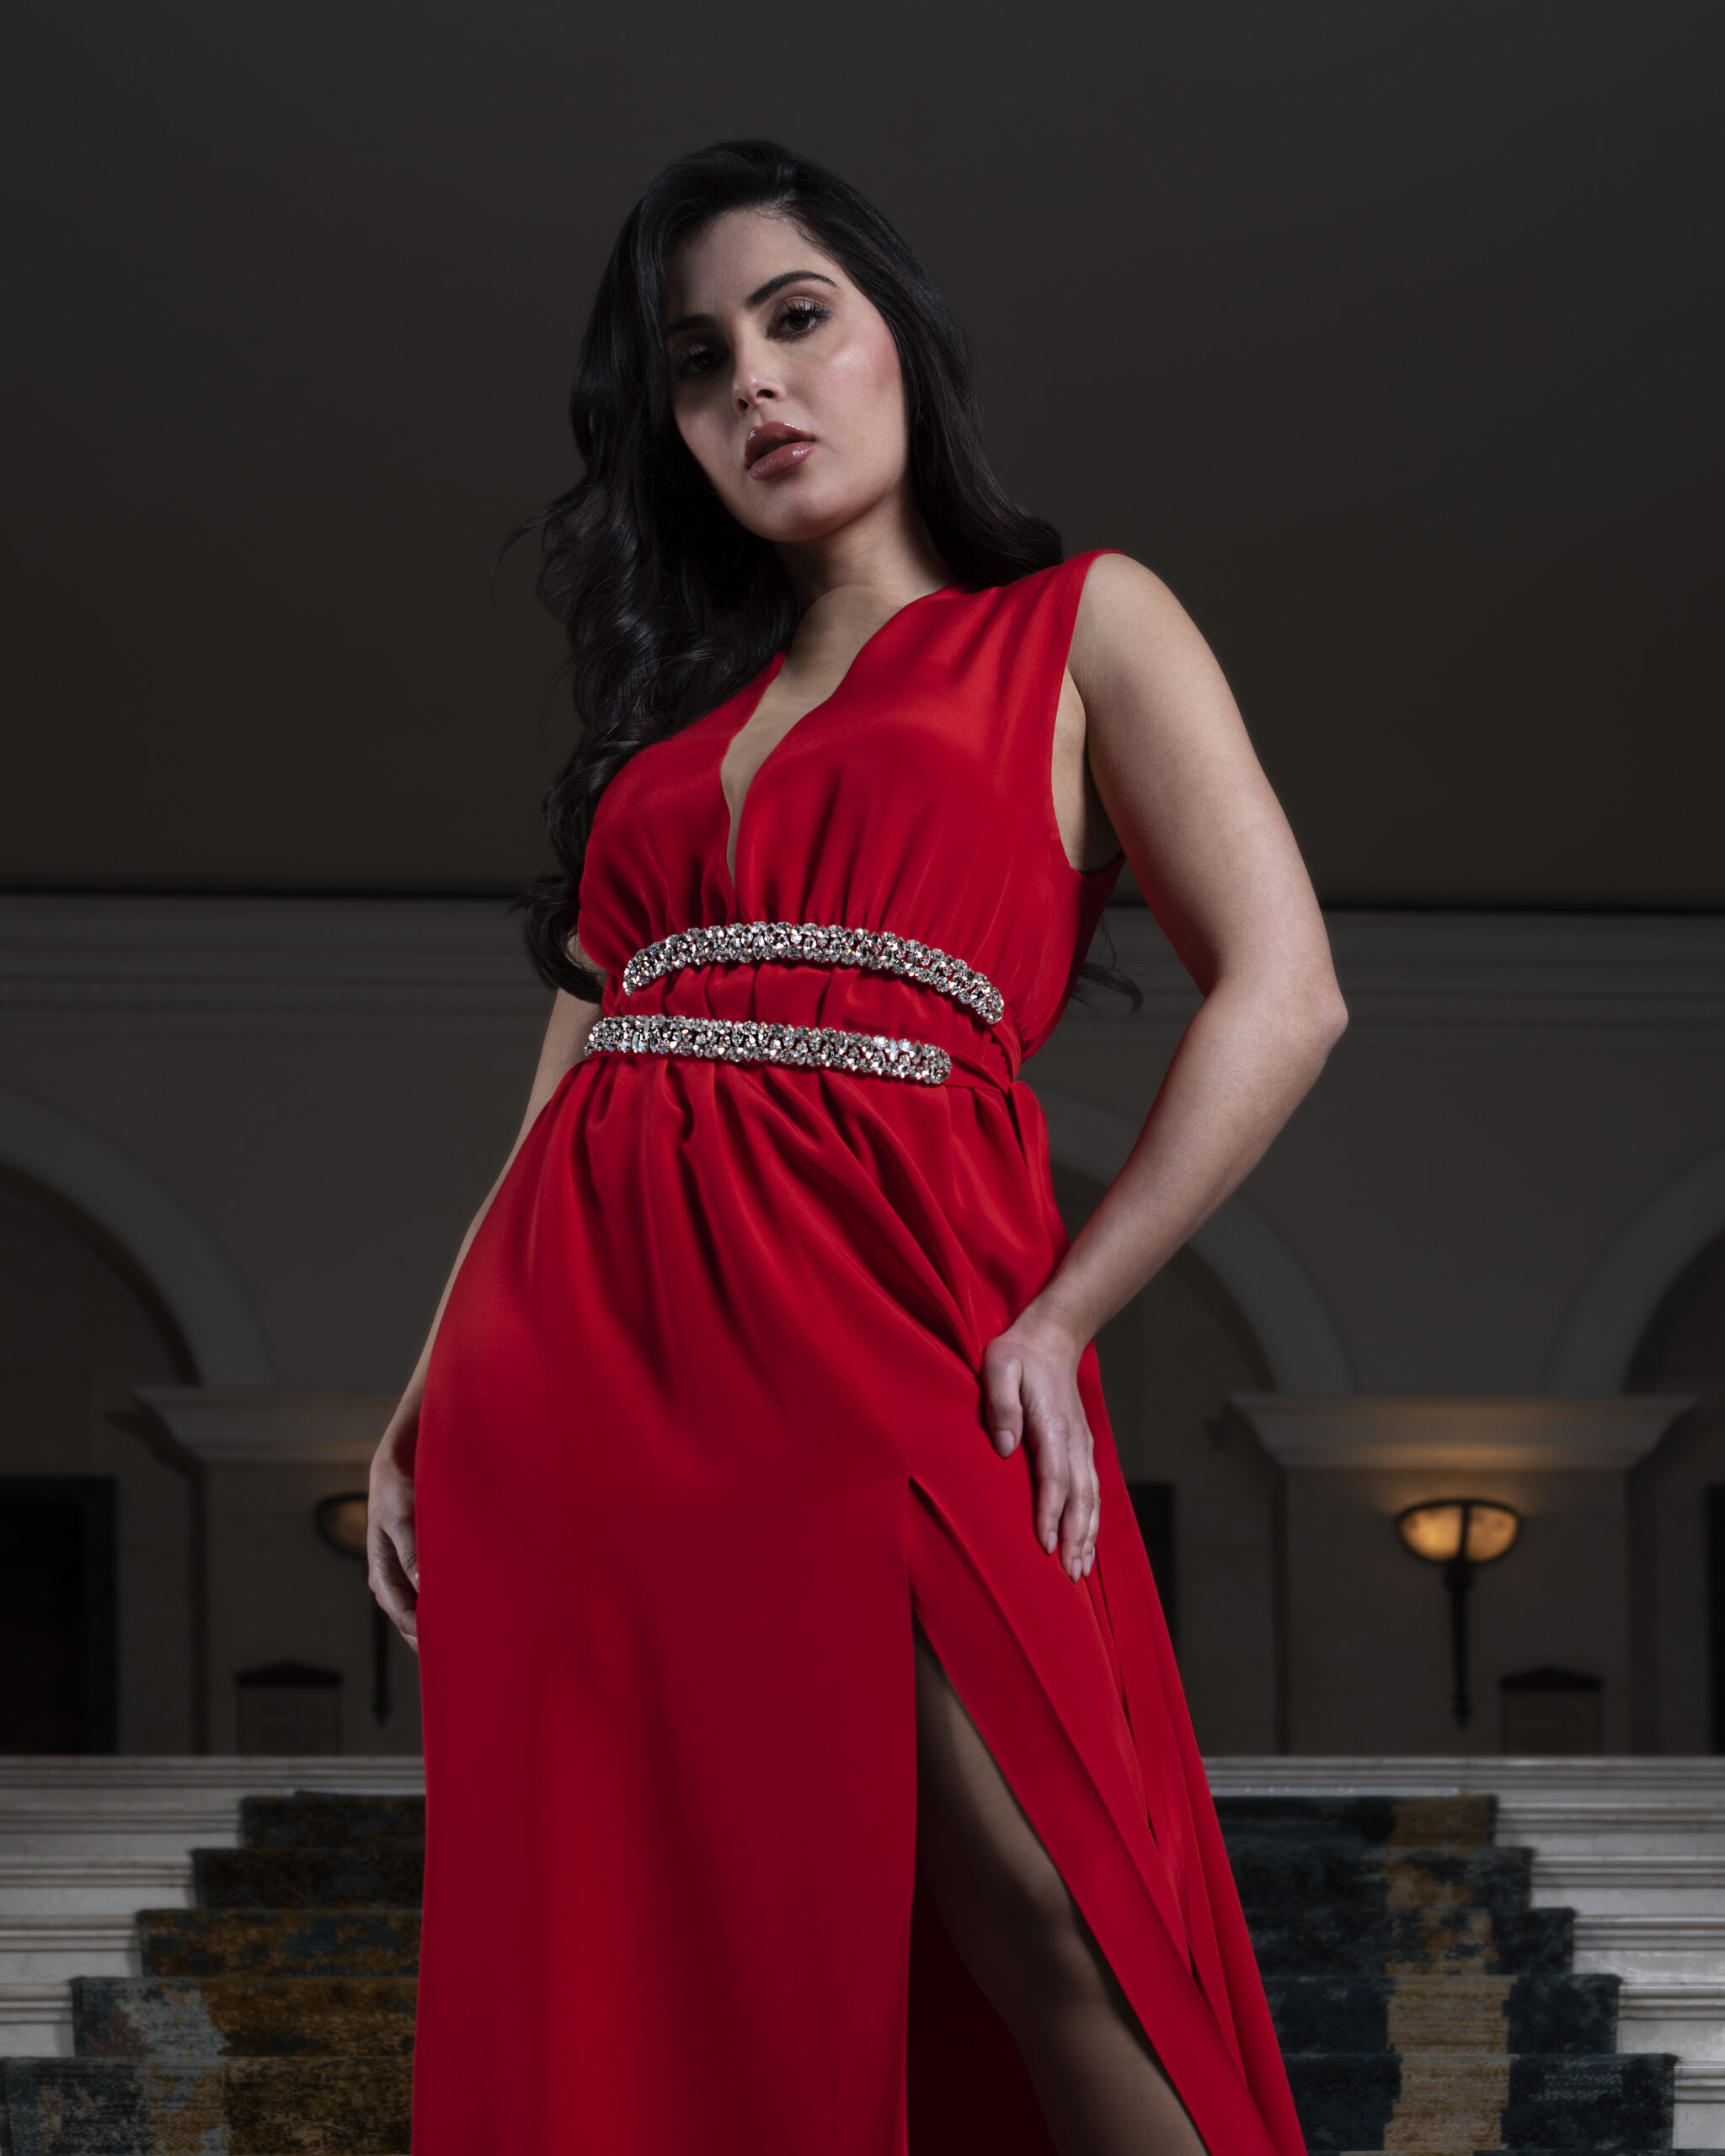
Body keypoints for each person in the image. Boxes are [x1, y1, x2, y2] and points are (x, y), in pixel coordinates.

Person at [367, 139, 1344, 2156]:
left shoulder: (1078, 624)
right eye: (695, 361)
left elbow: (1286, 992)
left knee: (1049, 1899)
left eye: (796, 317)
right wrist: (421, 1388)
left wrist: (1065, 1313)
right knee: (636, 1924)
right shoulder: (658, 743)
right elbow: (569, 1082)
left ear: (904, 336)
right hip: (574, 1367)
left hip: (884, 1310)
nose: (754, 383)